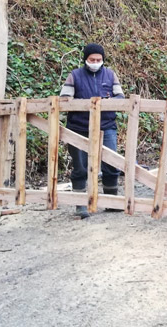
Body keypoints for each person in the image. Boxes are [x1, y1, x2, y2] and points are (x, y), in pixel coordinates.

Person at [60, 43, 124, 219]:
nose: (95, 62)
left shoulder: (110, 75)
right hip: (79, 127)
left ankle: (111, 200)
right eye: (92, 59)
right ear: (85, 60)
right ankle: (81, 204)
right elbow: (64, 99)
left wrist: (107, 101)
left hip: (106, 125)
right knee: (80, 166)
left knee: (111, 163)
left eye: (99, 59)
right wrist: (84, 103)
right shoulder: (75, 76)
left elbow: (120, 97)